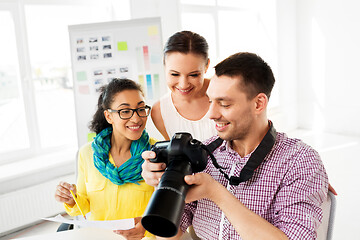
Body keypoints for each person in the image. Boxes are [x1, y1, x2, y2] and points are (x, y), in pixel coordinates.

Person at [141, 53, 329, 239]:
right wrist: (164, 183)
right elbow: (170, 231)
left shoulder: (299, 161)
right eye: (210, 101)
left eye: (224, 104)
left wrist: (216, 193)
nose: (211, 114)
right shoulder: (202, 153)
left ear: (258, 103)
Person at [55, 78, 156, 240]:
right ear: (109, 116)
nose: (136, 118)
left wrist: (147, 227)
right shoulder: (87, 154)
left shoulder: (157, 153)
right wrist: (71, 199)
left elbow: (168, 210)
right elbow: (84, 206)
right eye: (125, 111)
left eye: (141, 109)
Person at [151, 30, 217, 141]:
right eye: (175, 74)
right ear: (164, 64)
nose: (184, 85)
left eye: (194, 75)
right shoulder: (160, 112)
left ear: (206, 66)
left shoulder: (224, 92)